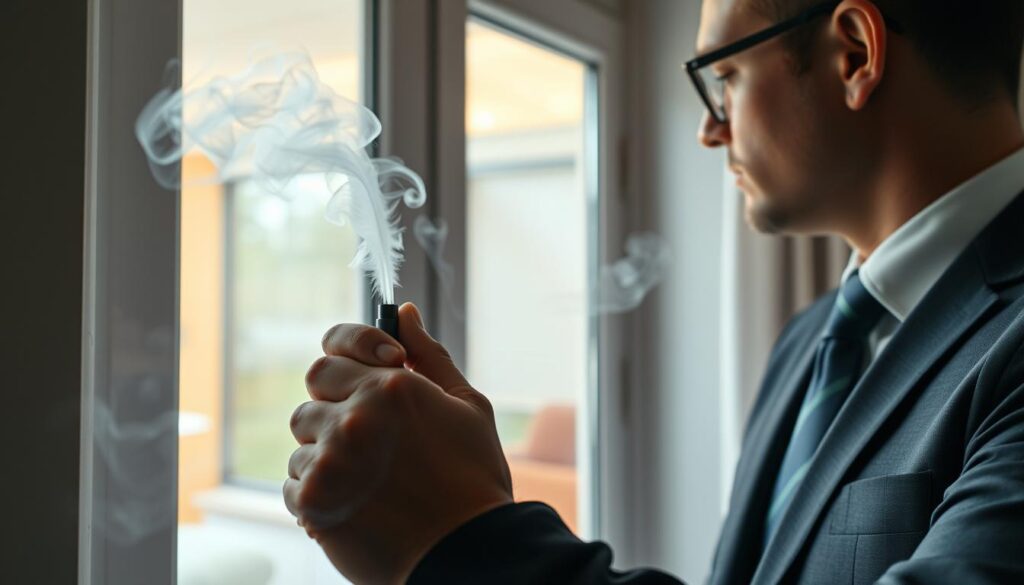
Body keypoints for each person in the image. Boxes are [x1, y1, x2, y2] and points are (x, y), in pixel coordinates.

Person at [283, 0, 1024, 582]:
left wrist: (462, 536)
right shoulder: (810, 341)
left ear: (854, 54)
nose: (709, 129)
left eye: (724, 75)